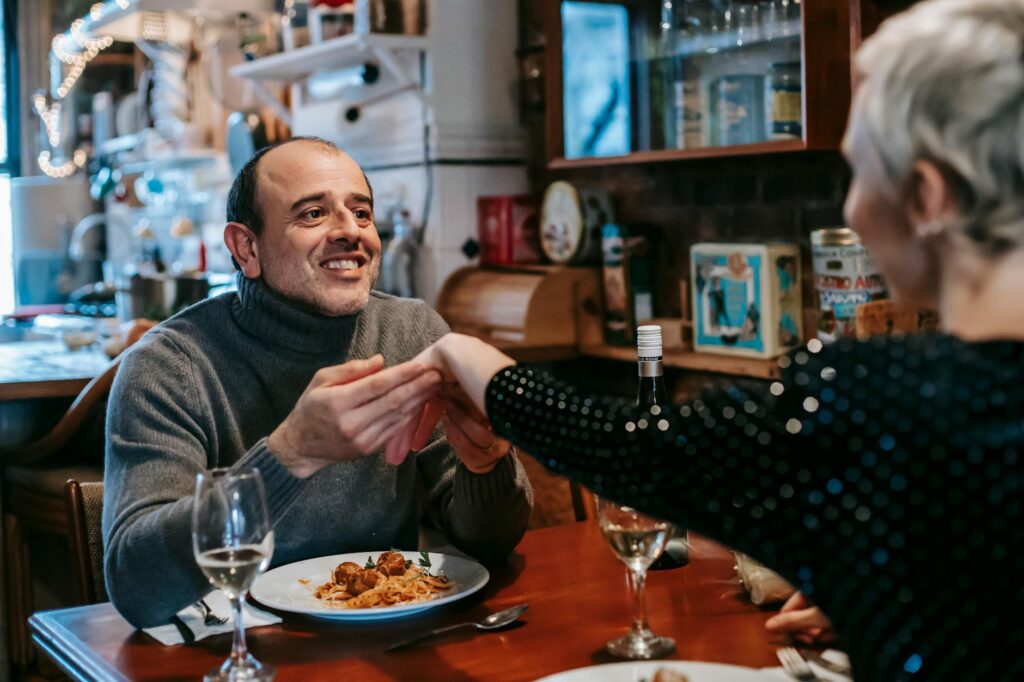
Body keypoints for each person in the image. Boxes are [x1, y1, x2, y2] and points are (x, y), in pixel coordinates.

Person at [389, 1, 1024, 679]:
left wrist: (466, 354)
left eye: (858, 172)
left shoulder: (882, 398)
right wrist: (893, 601)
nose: (852, 209)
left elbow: (630, 447)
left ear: (927, 197)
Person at [103, 137, 533, 628]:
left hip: (389, 635)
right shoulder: (169, 366)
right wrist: (291, 453)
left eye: (362, 213)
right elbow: (137, 587)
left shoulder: (412, 332)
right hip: (238, 648)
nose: (351, 231)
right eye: (313, 214)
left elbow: (492, 544)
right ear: (247, 248)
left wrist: (486, 464)